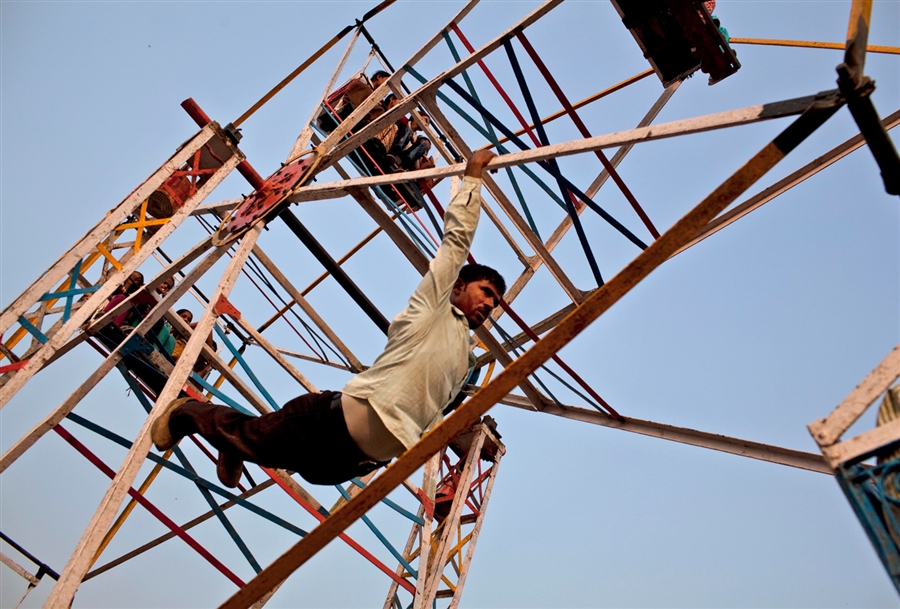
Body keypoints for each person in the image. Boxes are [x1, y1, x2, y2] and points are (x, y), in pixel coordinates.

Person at [151, 150, 504, 488]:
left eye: (496, 301)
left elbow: (436, 413)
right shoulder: (435, 309)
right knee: (255, 438)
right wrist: (473, 175)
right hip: (330, 422)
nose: (490, 303)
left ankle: (235, 446)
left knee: (293, 462)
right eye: (486, 291)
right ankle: (189, 414)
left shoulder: (464, 360)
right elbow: (454, 245)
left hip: (353, 460)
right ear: (457, 287)